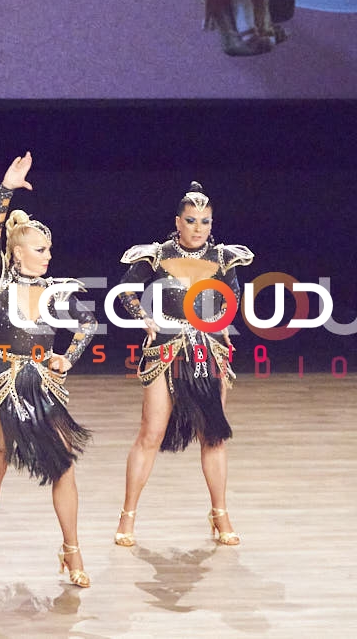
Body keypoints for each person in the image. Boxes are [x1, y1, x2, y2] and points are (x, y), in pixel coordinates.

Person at [0, 152, 97, 587]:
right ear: (17, 253)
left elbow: (89, 324)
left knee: (64, 468)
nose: (48, 256)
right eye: (40, 250)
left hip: (42, 386)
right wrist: (5, 190)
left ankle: (72, 552)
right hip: (0, 382)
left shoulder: (57, 292)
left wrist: (67, 357)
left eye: (49, 249)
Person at [113, 181, 253, 548]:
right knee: (151, 433)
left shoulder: (223, 258)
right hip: (165, 347)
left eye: (205, 221)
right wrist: (143, 317)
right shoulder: (158, 255)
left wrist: (222, 321)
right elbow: (126, 289)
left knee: (212, 435)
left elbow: (233, 293)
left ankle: (220, 514)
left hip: (208, 350)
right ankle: (127, 515)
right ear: (178, 221)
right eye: (191, 220)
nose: (198, 228)